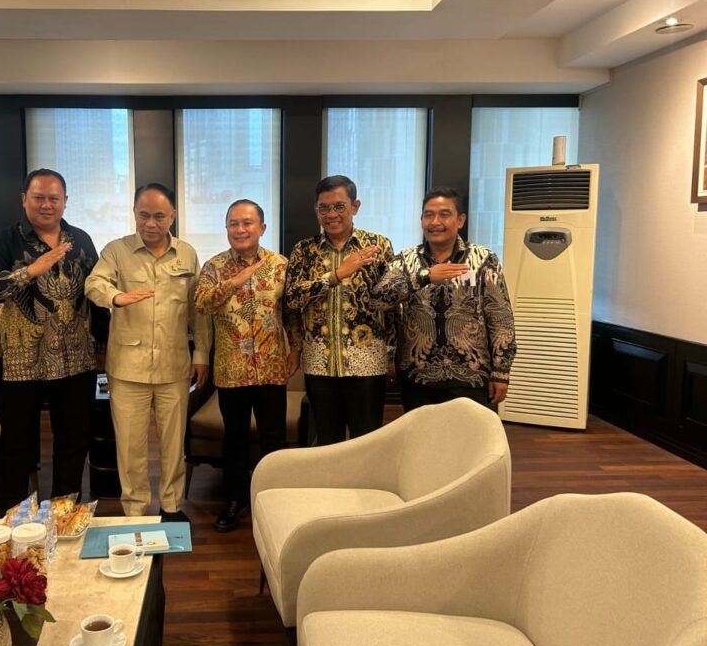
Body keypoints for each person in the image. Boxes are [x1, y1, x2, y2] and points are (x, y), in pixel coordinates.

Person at [0, 168, 105, 507]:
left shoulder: (81, 240)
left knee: (74, 443)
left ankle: (64, 513)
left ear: (65, 201)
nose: (46, 204)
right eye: (38, 197)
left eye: (53, 198)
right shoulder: (6, 240)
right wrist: (30, 272)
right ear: (24, 199)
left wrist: (103, 347)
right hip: (22, 364)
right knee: (16, 445)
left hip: (76, 360)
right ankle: (13, 519)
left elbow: (97, 294)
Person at [85, 183, 211, 520]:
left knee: (173, 443)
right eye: (143, 215)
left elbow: (197, 309)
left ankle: (172, 507)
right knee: (130, 448)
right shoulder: (117, 251)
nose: (150, 223)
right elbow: (94, 283)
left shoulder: (187, 254)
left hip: (174, 366)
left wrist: (201, 354)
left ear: (172, 216)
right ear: (134, 214)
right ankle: (135, 510)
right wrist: (115, 297)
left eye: (158, 216)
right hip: (128, 368)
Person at [194, 199, 302, 532]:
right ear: (226, 228)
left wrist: (295, 349)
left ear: (262, 228)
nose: (240, 230)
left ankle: (273, 498)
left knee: (273, 437)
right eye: (233, 224)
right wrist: (234, 281)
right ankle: (235, 499)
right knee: (235, 439)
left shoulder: (280, 265)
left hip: (272, 366)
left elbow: (291, 312)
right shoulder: (213, 267)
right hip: (232, 370)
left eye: (247, 223)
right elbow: (201, 304)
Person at [372, 188, 516, 411]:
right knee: (421, 434)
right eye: (428, 215)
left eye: (444, 214)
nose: (435, 222)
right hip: (417, 377)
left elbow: (500, 317)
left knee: (470, 434)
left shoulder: (483, 259)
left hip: (471, 376)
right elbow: (379, 299)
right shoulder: (406, 259)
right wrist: (424, 276)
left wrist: (501, 371)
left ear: (460, 220)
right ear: (421, 220)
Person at [284, 175, 395, 445]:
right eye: (324, 208)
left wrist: (392, 354)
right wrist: (334, 276)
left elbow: (392, 305)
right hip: (319, 364)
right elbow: (292, 300)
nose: (331, 214)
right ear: (316, 210)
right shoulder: (304, 251)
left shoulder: (378, 247)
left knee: (366, 441)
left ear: (355, 206)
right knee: (327, 442)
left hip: (367, 363)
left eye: (339, 206)